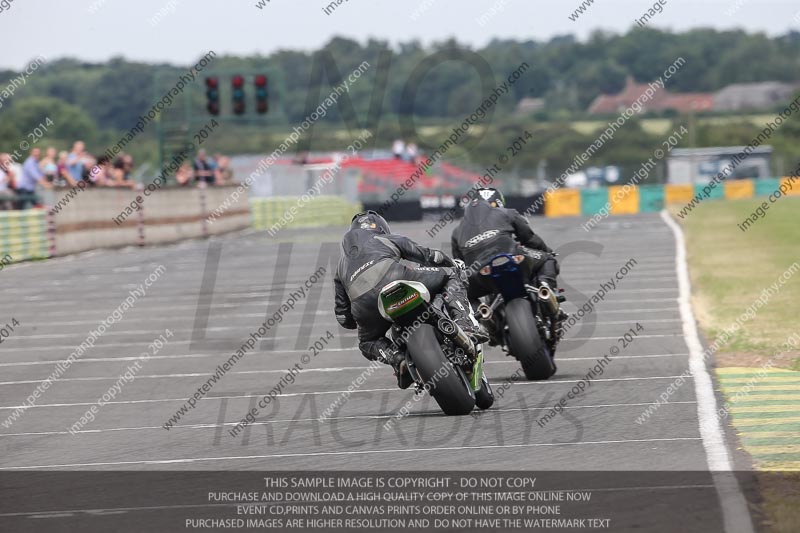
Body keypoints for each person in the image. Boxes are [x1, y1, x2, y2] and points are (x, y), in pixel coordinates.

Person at [334, 210, 483, 389]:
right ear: (381, 228)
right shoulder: (386, 239)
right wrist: (451, 263)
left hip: (364, 306)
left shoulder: (340, 267)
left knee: (367, 342)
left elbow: (343, 318)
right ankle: (466, 326)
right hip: (396, 278)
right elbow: (429, 256)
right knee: (451, 275)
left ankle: (397, 360)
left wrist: (359, 318)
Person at [451, 188, 562, 311]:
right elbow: (530, 239)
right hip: (511, 256)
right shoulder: (506, 212)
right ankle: (547, 290)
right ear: (498, 202)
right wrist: (546, 250)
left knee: (463, 291)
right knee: (548, 259)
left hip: (480, 271)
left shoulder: (457, 231)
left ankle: (480, 317)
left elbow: (459, 265)